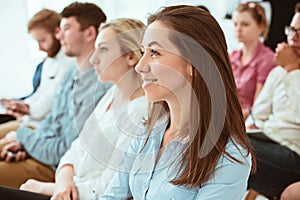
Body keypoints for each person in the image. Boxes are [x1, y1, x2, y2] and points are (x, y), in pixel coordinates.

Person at [100, 5, 254, 199]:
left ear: (195, 64)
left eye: (154, 52)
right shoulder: (148, 132)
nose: (140, 66)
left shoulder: (229, 156)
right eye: (143, 51)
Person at [16, 18, 147, 200]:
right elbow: (76, 147)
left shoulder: (139, 112)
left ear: (131, 57)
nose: (93, 59)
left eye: (103, 49)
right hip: (66, 187)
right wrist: (63, 179)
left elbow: (108, 189)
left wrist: (46, 188)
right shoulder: (112, 93)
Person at [0, 2, 111, 189]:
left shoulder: (100, 86)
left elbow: (64, 150)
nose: (59, 35)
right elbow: (51, 123)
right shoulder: (71, 75)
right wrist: (27, 146)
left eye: (66, 28)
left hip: (57, 168)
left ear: (90, 33)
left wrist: (24, 137)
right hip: (42, 154)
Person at [246, 2, 300, 199]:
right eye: (292, 30)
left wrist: (293, 69)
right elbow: (258, 113)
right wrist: (251, 125)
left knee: (229, 147)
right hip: (267, 143)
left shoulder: (289, 68)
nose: (293, 39)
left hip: (293, 155)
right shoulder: (279, 71)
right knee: (219, 137)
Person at [0, 9, 75, 132]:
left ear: (57, 33)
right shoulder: (50, 60)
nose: (40, 47)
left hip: (41, 127)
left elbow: (48, 104)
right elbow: (40, 93)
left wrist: (26, 108)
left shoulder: (68, 62)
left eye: (43, 41)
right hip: (29, 121)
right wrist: (21, 104)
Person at [230, 1, 276, 119]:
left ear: (261, 27)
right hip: (228, 117)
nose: (238, 29)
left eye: (245, 24)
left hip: (248, 123)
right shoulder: (232, 56)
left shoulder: (268, 59)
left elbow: (258, 108)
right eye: (235, 24)